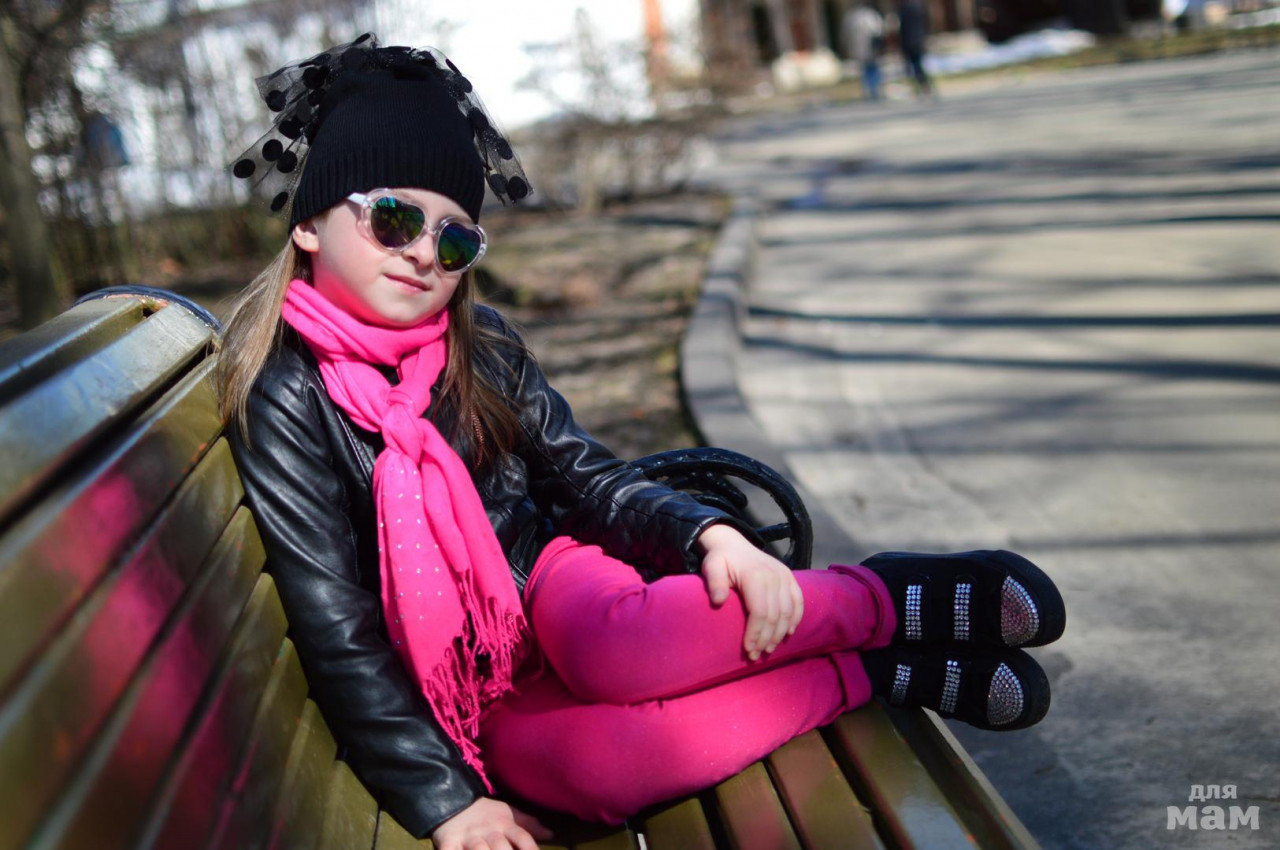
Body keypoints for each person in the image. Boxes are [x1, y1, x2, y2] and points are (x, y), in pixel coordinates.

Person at [219, 33, 1064, 850]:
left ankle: (889, 600)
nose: (421, 255)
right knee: (601, 769)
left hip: (551, 580)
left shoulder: (480, 345)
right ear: (310, 224)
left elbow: (585, 476)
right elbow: (335, 623)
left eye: (454, 238)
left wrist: (708, 533)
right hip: (467, 691)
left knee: (620, 650)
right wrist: (447, 801)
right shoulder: (285, 396)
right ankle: (877, 671)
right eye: (394, 218)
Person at [843, 3, 886, 101]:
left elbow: (847, 35)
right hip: (870, 48)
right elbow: (879, 31)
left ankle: (870, 90)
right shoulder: (871, 16)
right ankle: (874, 90)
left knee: (867, 69)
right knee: (872, 68)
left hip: (863, 48)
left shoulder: (853, 18)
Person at [897, 0, 934, 97]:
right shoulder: (919, 7)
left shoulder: (905, 10)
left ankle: (922, 86)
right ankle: (924, 85)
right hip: (919, 40)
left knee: (915, 66)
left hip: (910, 42)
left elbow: (903, 29)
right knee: (919, 65)